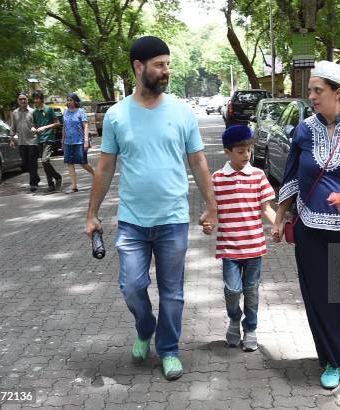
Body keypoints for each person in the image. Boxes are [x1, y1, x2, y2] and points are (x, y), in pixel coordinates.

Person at [84, 36, 217, 381]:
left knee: (172, 292)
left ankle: (169, 349)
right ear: (138, 67)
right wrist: (91, 214)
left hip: (173, 218)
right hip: (132, 221)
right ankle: (145, 327)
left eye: (168, 64)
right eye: (159, 64)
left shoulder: (181, 112)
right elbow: (104, 167)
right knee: (131, 285)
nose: (166, 71)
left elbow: (199, 161)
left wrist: (211, 206)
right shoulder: (115, 115)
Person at [271, 61, 340, 389]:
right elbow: (291, 177)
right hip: (310, 227)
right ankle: (332, 359)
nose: (311, 96)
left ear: (338, 92)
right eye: (310, 90)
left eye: (317, 90)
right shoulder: (304, 129)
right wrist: (279, 220)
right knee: (321, 298)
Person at [204, 125, 276, 352]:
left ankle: (251, 328)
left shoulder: (258, 176)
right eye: (240, 151)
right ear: (227, 152)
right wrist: (207, 224)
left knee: (251, 291)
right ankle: (234, 319)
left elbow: (266, 209)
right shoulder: (217, 179)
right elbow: (210, 213)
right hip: (229, 249)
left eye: (249, 150)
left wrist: (278, 226)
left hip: (254, 247)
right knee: (232, 290)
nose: (246, 155)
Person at [62, 92, 94, 193]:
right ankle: (74, 187)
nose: (69, 102)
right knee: (70, 163)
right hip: (68, 142)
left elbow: (86, 126)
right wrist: (62, 140)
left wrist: (86, 141)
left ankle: (96, 175)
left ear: (75, 101)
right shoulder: (65, 112)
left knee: (83, 163)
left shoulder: (80, 111)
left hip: (79, 141)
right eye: (68, 100)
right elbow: (64, 127)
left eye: (71, 100)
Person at [32, 90, 62, 193]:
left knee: (45, 160)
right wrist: (33, 128)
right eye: (35, 98)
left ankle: (57, 177)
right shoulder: (35, 112)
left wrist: (45, 127)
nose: (36, 100)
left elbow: (57, 123)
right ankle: (51, 184)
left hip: (49, 138)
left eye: (38, 98)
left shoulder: (49, 110)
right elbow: (34, 124)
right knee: (45, 163)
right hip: (40, 139)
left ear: (42, 99)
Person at [9, 92, 39, 192]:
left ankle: (33, 184)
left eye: (24, 99)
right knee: (25, 164)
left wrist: (36, 129)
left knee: (32, 163)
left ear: (27, 100)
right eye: (21, 99)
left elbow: (38, 125)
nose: (22, 101)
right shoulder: (14, 113)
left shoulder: (33, 112)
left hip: (33, 141)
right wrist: (12, 140)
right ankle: (36, 177)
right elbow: (13, 126)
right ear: (18, 101)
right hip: (21, 142)